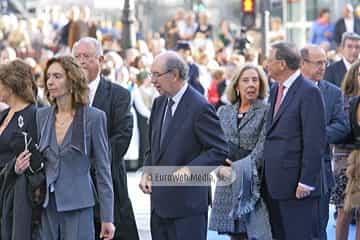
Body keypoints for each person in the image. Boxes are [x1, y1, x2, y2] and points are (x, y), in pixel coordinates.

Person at [16, 56, 115, 239]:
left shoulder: (94, 118)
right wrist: (21, 166)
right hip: (47, 204)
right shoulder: (41, 116)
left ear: (72, 81)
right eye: (48, 77)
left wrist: (107, 218)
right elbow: (37, 157)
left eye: (57, 76)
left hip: (79, 204)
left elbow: (103, 170)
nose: (50, 82)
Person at [139, 51, 228, 240]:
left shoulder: (200, 106)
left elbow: (218, 150)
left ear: (174, 75)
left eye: (157, 74)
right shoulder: (158, 103)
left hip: (188, 208)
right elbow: (153, 147)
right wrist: (147, 171)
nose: (152, 80)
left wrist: (189, 170)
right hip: (159, 206)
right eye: (151, 74)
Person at [72, 37, 139, 240]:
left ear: (100, 60)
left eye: (87, 56)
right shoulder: (65, 94)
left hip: (107, 182)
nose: (81, 61)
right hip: (73, 185)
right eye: (77, 57)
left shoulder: (118, 95)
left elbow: (122, 137)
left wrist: (92, 163)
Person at [263, 42, 326, 240]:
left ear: (281, 64)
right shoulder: (275, 89)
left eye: (269, 60)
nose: (266, 64)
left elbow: (314, 140)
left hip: (297, 187)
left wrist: (306, 182)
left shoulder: (309, 92)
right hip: (274, 183)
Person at [209, 64, 272, 240]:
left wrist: (241, 167)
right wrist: (219, 167)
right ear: (237, 86)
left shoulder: (266, 111)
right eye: (246, 80)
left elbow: (263, 145)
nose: (251, 84)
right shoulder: (223, 111)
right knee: (234, 232)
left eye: (255, 80)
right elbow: (215, 143)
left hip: (252, 180)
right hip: (226, 179)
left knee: (255, 231)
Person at [300, 45, 350, 240]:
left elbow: (342, 127)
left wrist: (314, 136)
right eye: (318, 62)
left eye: (325, 62)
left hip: (320, 172)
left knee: (318, 228)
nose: (323, 67)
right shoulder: (285, 90)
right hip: (288, 171)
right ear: (303, 64)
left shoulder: (333, 93)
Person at [0, 59, 41, 240]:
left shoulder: (34, 115)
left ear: (11, 85)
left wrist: (15, 168)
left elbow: (35, 159)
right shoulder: (3, 114)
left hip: (16, 195)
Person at [331, 59, 360, 240]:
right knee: (344, 211)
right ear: (354, 76)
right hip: (345, 160)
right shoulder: (343, 100)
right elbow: (339, 131)